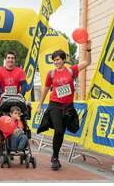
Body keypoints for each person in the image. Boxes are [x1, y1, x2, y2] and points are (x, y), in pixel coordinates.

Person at [36, 40, 92, 170]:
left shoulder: (71, 71)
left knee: (62, 132)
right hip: (54, 105)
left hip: (68, 107)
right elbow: (45, 89)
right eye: (54, 60)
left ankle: (55, 154)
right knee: (59, 130)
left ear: (63, 60)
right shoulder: (51, 74)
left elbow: (87, 62)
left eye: (58, 60)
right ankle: (55, 157)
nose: (56, 62)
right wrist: (40, 104)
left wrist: (88, 50)